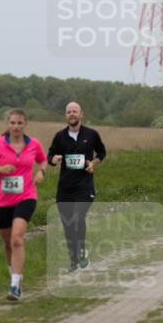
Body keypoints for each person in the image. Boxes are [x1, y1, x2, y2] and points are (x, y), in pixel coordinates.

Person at [0, 108, 47, 301]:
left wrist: (41, 172)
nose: (16, 126)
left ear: (25, 124)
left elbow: (42, 160)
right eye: (12, 123)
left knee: (17, 238)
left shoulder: (34, 144)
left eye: (20, 123)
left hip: (26, 196)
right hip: (2, 200)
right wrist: (1, 169)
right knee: (7, 241)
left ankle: (15, 285)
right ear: (7, 124)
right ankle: (14, 275)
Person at [47, 102, 106, 272]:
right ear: (66, 115)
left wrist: (93, 163)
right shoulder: (60, 136)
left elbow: (102, 153)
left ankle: (81, 252)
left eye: (75, 111)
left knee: (77, 217)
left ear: (81, 114)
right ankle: (74, 260)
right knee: (68, 224)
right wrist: (53, 159)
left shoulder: (91, 134)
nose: (71, 114)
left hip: (84, 186)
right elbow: (50, 154)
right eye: (68, 112)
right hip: (65, 187)